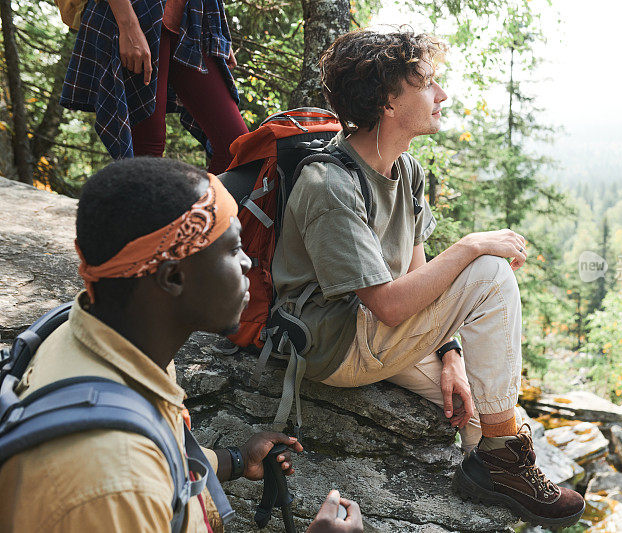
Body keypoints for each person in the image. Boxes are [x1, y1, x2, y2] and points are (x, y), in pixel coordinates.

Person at [269, 29, 585, 528]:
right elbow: (389, 305)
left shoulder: (406, 170)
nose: (442, 95)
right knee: (488, 272)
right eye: (428, 83)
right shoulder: (329, 183)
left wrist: (450, 355)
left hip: (381, 334)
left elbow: (420, 281)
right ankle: (502, 462)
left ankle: (493, 464)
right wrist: (470, 246)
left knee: (497, 419)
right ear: (388, 100)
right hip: (337, 343)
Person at [0, 158, 361, 532]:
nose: (247, 262)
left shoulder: (105, 335)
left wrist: (235, 459)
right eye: (233, 248)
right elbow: (132, 476)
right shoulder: (113, 483)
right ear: (173, 276)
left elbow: (160, 449)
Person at [59, 0, 248, 173]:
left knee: (238, 148)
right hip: (136, 14)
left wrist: (216, 28)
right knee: (147, 149)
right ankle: (140, 210)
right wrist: (129, 27)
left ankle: (205, 211)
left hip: (192, 18)